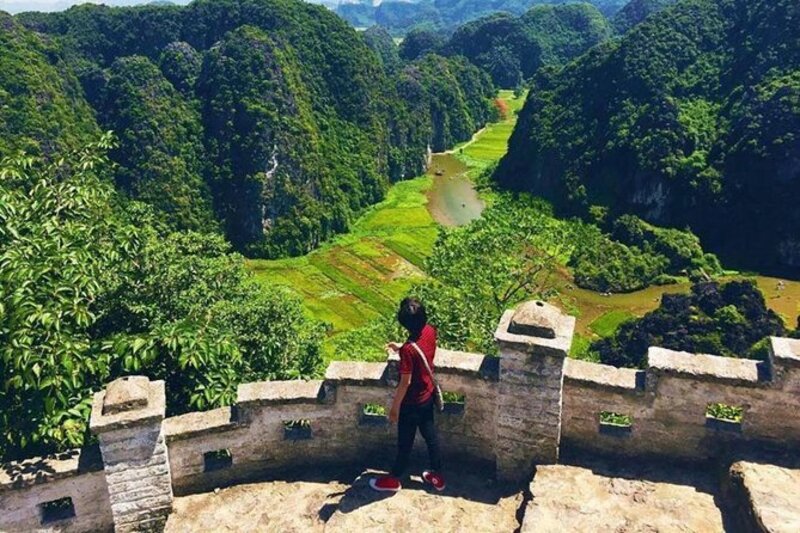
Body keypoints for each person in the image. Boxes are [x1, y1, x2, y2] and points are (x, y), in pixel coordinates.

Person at [369, 297, 445, 493]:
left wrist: (394, 408)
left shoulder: (409, 351)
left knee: (405, 443)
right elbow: (421, 346)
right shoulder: (430, 330)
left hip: (411, 403)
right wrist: (402, 347)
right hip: (427, 396)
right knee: (431, 437)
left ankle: (394, 479)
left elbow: (405, 382)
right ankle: (437, 475)